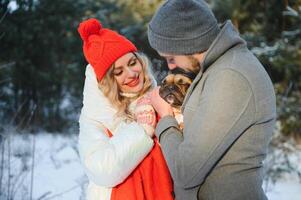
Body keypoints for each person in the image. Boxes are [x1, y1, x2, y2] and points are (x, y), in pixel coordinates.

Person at [147, 1, 276, 200]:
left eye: (171, 57)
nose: (170, 66)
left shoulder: (230, 75)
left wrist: (165, 116)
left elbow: (186, 171)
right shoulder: (217, 69)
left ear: (188, 44)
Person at [77, 18, 173, 200]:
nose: (131, 74)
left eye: (132, 63)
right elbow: (103, 171)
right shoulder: (95, 118)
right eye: (118, 72)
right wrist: (143, 130)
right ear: (107, 81)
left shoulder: (159, 99)